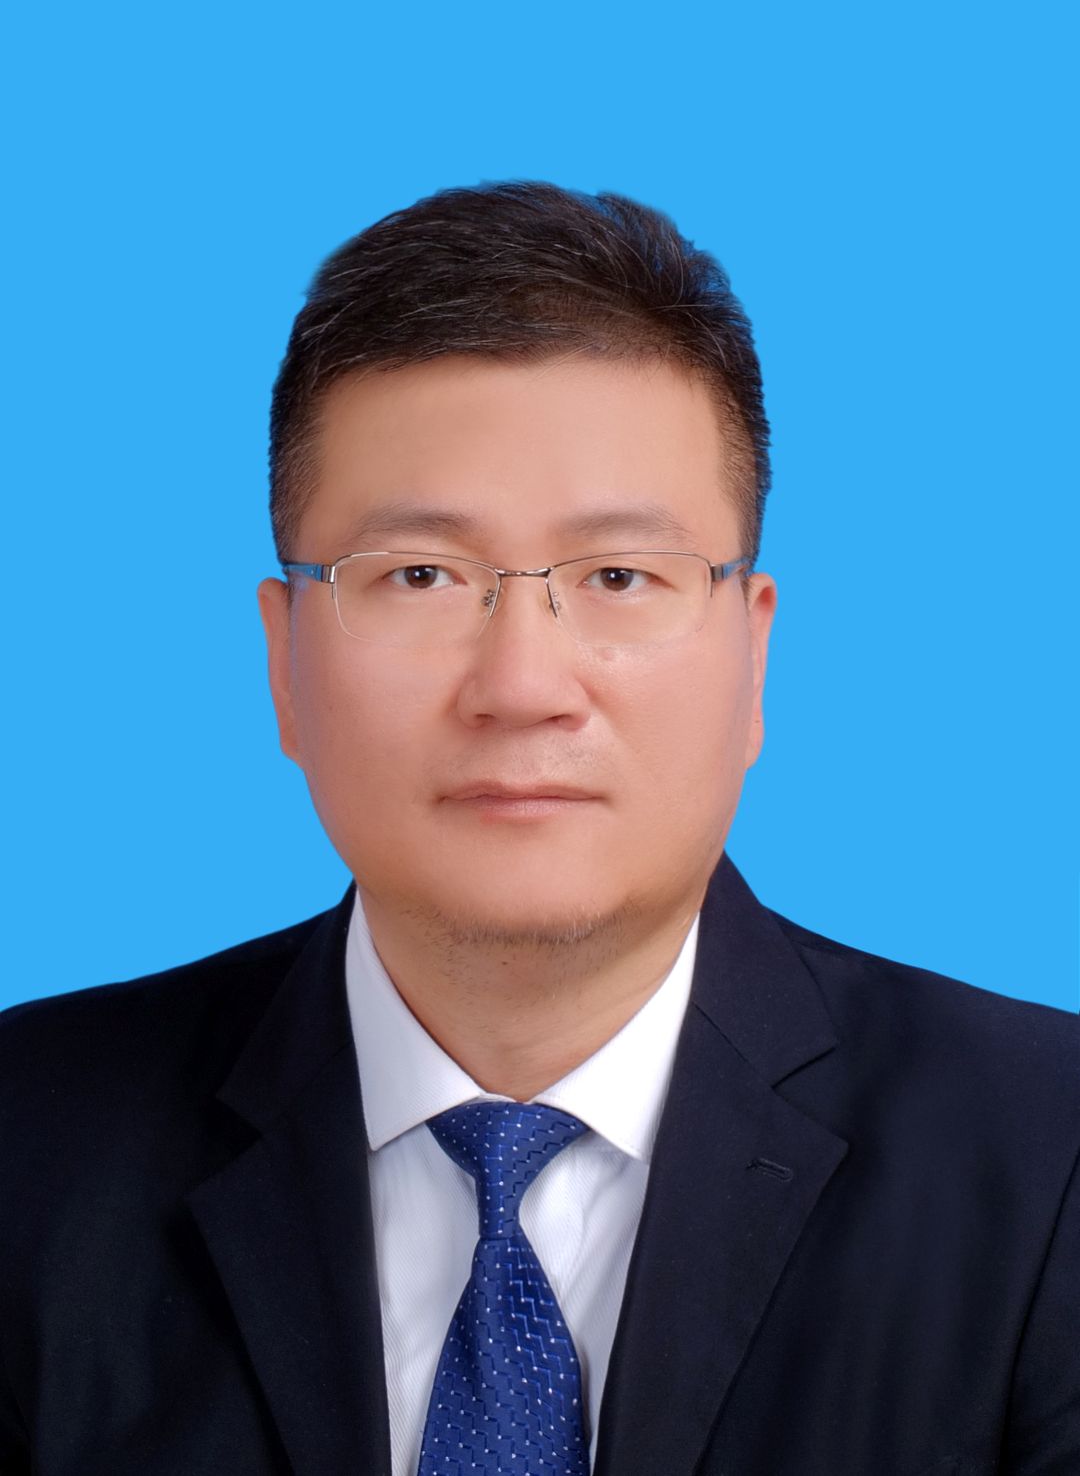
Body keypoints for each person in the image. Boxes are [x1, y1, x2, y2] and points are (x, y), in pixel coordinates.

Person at [0, 182, 1076, 1476]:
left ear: (753, 654)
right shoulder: (28, 1152)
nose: (520, 686)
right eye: (419, 576)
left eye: (619, 576)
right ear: (282, 665)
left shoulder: (1047, 1162)